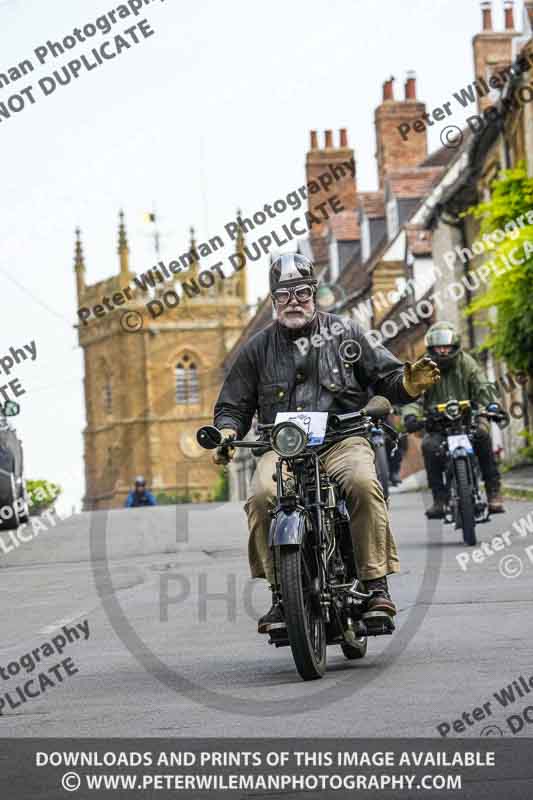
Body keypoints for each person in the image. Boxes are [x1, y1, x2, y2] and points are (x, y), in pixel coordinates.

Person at [212, 253, 440, 634]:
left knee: (364, 486)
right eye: (284, 295)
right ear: (272, 301)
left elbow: (387, 379)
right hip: (281, 448)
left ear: (315, 294)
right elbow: (233, 405)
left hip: (342, 440)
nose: (294, 301)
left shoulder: (348, 333)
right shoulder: (256, 350)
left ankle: (374, 585)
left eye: (302, 291)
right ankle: (281, 595)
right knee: (261, 496)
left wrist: (407, 384)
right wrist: (227, 433)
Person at [402, 321, 504, 519]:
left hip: (468, 419)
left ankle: (493, 492)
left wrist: (491, 404)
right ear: (431, 348)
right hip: (437, 424)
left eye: (446, 347)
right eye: (439, 347)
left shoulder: (467, 363)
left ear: (454, 346)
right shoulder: (424, 367)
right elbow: (414, 395)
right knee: (430, 447)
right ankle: (439, 499)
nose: (443, 351)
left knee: (482, 436)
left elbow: (482, 386)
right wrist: (411, 414)